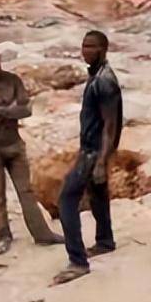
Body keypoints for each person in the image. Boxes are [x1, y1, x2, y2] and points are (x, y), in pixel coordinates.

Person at [0, 46, 64, 254]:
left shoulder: (13, 80)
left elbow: (26, 110)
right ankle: (4, 236)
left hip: (14, 144)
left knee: (26, 192)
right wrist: (10, 110)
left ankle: (42, 234)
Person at [53, 30, 123, 285]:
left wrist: (102, 161)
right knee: (97, 194)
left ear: (103, 49)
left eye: (91, 46)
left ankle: (77, 261)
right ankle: (105, 240)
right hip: (93, 148)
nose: (85, 50)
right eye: (83, 46)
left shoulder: (104, 81)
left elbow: (110, 125)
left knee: (66, 200)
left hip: (94, 151)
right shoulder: (97, 75)